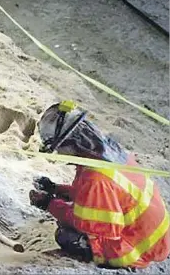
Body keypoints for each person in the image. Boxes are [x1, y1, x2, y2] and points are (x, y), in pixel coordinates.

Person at [29, 100, 170, 269]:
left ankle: (117, 261)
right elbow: (96, 196)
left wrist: (49, 204)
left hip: (138, 248)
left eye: (59, 148)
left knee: (66, 235)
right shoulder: (108, 154)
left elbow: (86, 222)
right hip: (153, 235)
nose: (59, 153)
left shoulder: (95, 178)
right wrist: (56, 189)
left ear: (70, 143)